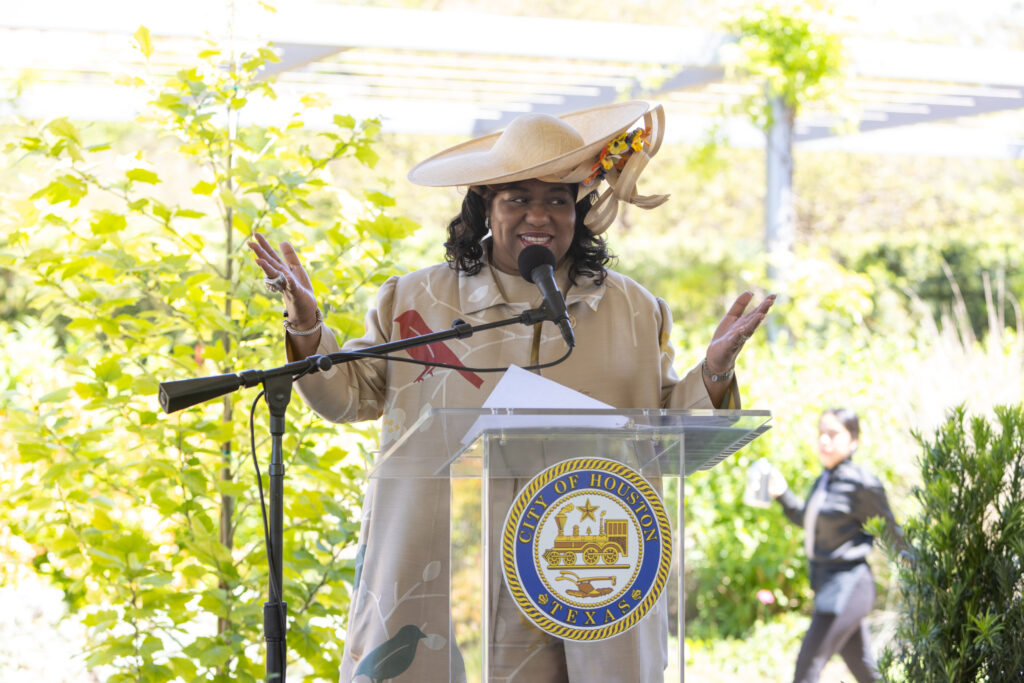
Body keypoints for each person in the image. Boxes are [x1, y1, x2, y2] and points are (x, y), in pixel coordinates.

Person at [249, 100, 775, 682]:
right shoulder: (415, 301)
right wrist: (305, 327)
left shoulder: (632, 308)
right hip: (444, 567)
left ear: (579, 207)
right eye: (518, 198)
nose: (540, 216)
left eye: (557, 199)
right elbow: (349, 395)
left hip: (583, 574)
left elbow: (662, 427)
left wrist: (714, 373)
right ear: (484, 208)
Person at [767, 408, 906, 683]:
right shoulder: (825, 480)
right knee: (865, 672)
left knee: (807, 668)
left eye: (833, 434)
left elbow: (893, 534)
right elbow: (810, 520)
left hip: (849, 587)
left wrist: (928, 575)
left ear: (853, 440)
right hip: (829, 585)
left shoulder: (861, 483)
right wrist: (783, 496)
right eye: (821, 434)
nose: (824, 441)